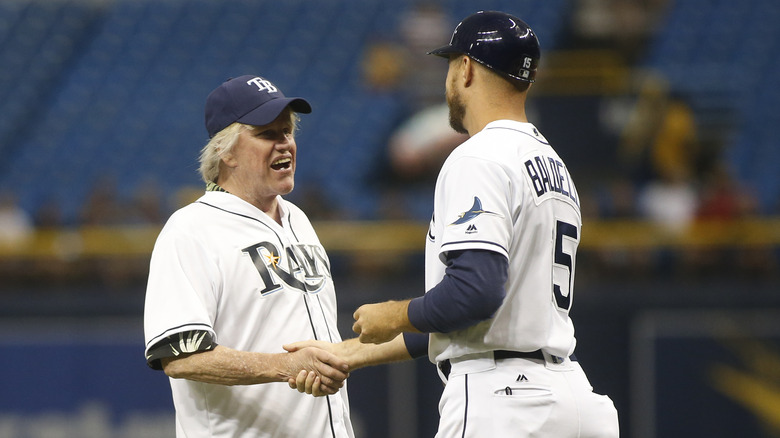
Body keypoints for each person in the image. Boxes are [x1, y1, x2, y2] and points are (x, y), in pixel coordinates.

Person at [287, 11, 620, 437]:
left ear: (466, 68)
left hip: (504, 403)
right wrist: (346, 353)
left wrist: (396, 312)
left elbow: (475, 293)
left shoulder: (479, 156)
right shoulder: (551, 163)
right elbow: (472, 322)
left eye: (449, 64)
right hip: (570, 399)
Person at [143, 75, 355, 438]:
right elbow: (179, 357)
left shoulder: (298, 220)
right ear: (225, 150)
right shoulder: (191, 229)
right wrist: (286, 366)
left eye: (286, 132)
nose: (284, 144)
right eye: (266, 134)